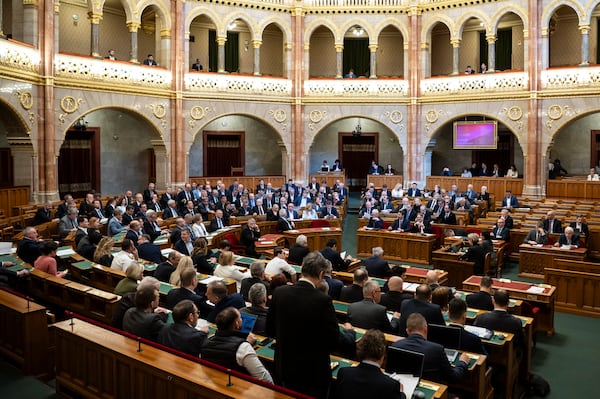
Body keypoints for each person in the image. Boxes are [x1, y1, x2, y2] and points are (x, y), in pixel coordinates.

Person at [266, 252, 340, 398]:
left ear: (302, 269)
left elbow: (270, 329)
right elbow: (333, 341)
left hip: (285, 367)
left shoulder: (280, 293)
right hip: (312, 374)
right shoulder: (323, 300)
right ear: (320, 274)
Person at [391, 313, 470, 383]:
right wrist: (462, 362)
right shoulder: (436, 349)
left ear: (407, 331)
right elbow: (453, 377)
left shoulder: (395, 346)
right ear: (425, 328)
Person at [201, 307, 273, 383]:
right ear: (236, 324)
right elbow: (266, 380)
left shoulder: (207, 341)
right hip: (238, 388)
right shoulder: (243, 347)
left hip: (215, 382)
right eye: (240, 318)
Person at [334, 328, 406, 399]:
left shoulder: (344, 373)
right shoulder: (391, 385)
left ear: (360, 349)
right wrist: (401, 393)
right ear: (383, 353)